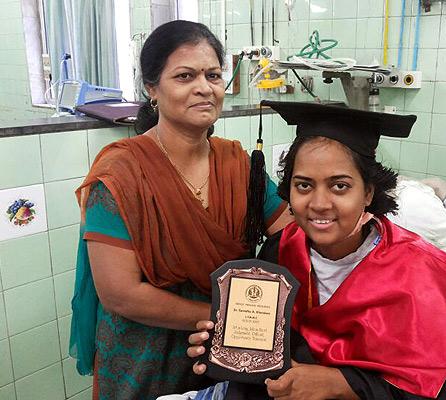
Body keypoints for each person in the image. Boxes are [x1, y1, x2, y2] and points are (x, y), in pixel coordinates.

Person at [187, 101, 446, 399]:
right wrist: (226, 351)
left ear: (368, 192)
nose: (319, 204)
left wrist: (343, 384)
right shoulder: (279, 252)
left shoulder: (417, 273)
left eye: (340, 186)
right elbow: (269, 355)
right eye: (304, 185)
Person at [69, 22, 291, 400]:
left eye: (213, 75)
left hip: (225, 354)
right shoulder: (121, 174)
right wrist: (231, 317)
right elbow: (120, 294)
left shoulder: (239, 165)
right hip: (143, 355)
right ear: (152, 89)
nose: (204, 87)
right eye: (185, 76)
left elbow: (291, 238)